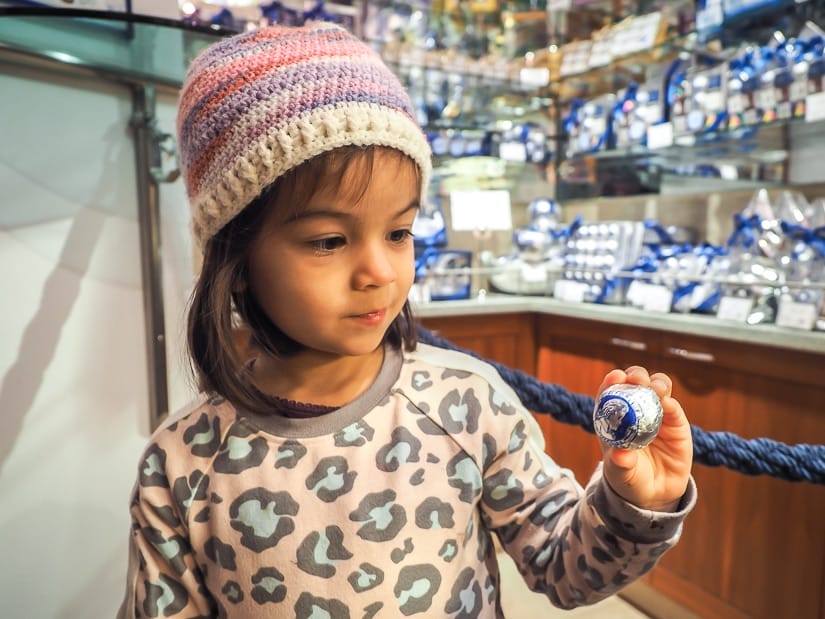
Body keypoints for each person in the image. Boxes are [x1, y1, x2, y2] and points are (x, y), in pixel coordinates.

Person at [118, 22, 695, 619]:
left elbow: (563, 569)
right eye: (328, 240)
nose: (379, 271)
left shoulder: (467, 406)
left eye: (399, 233)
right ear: (236, 260)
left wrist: (630, 503)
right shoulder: (183, 461)